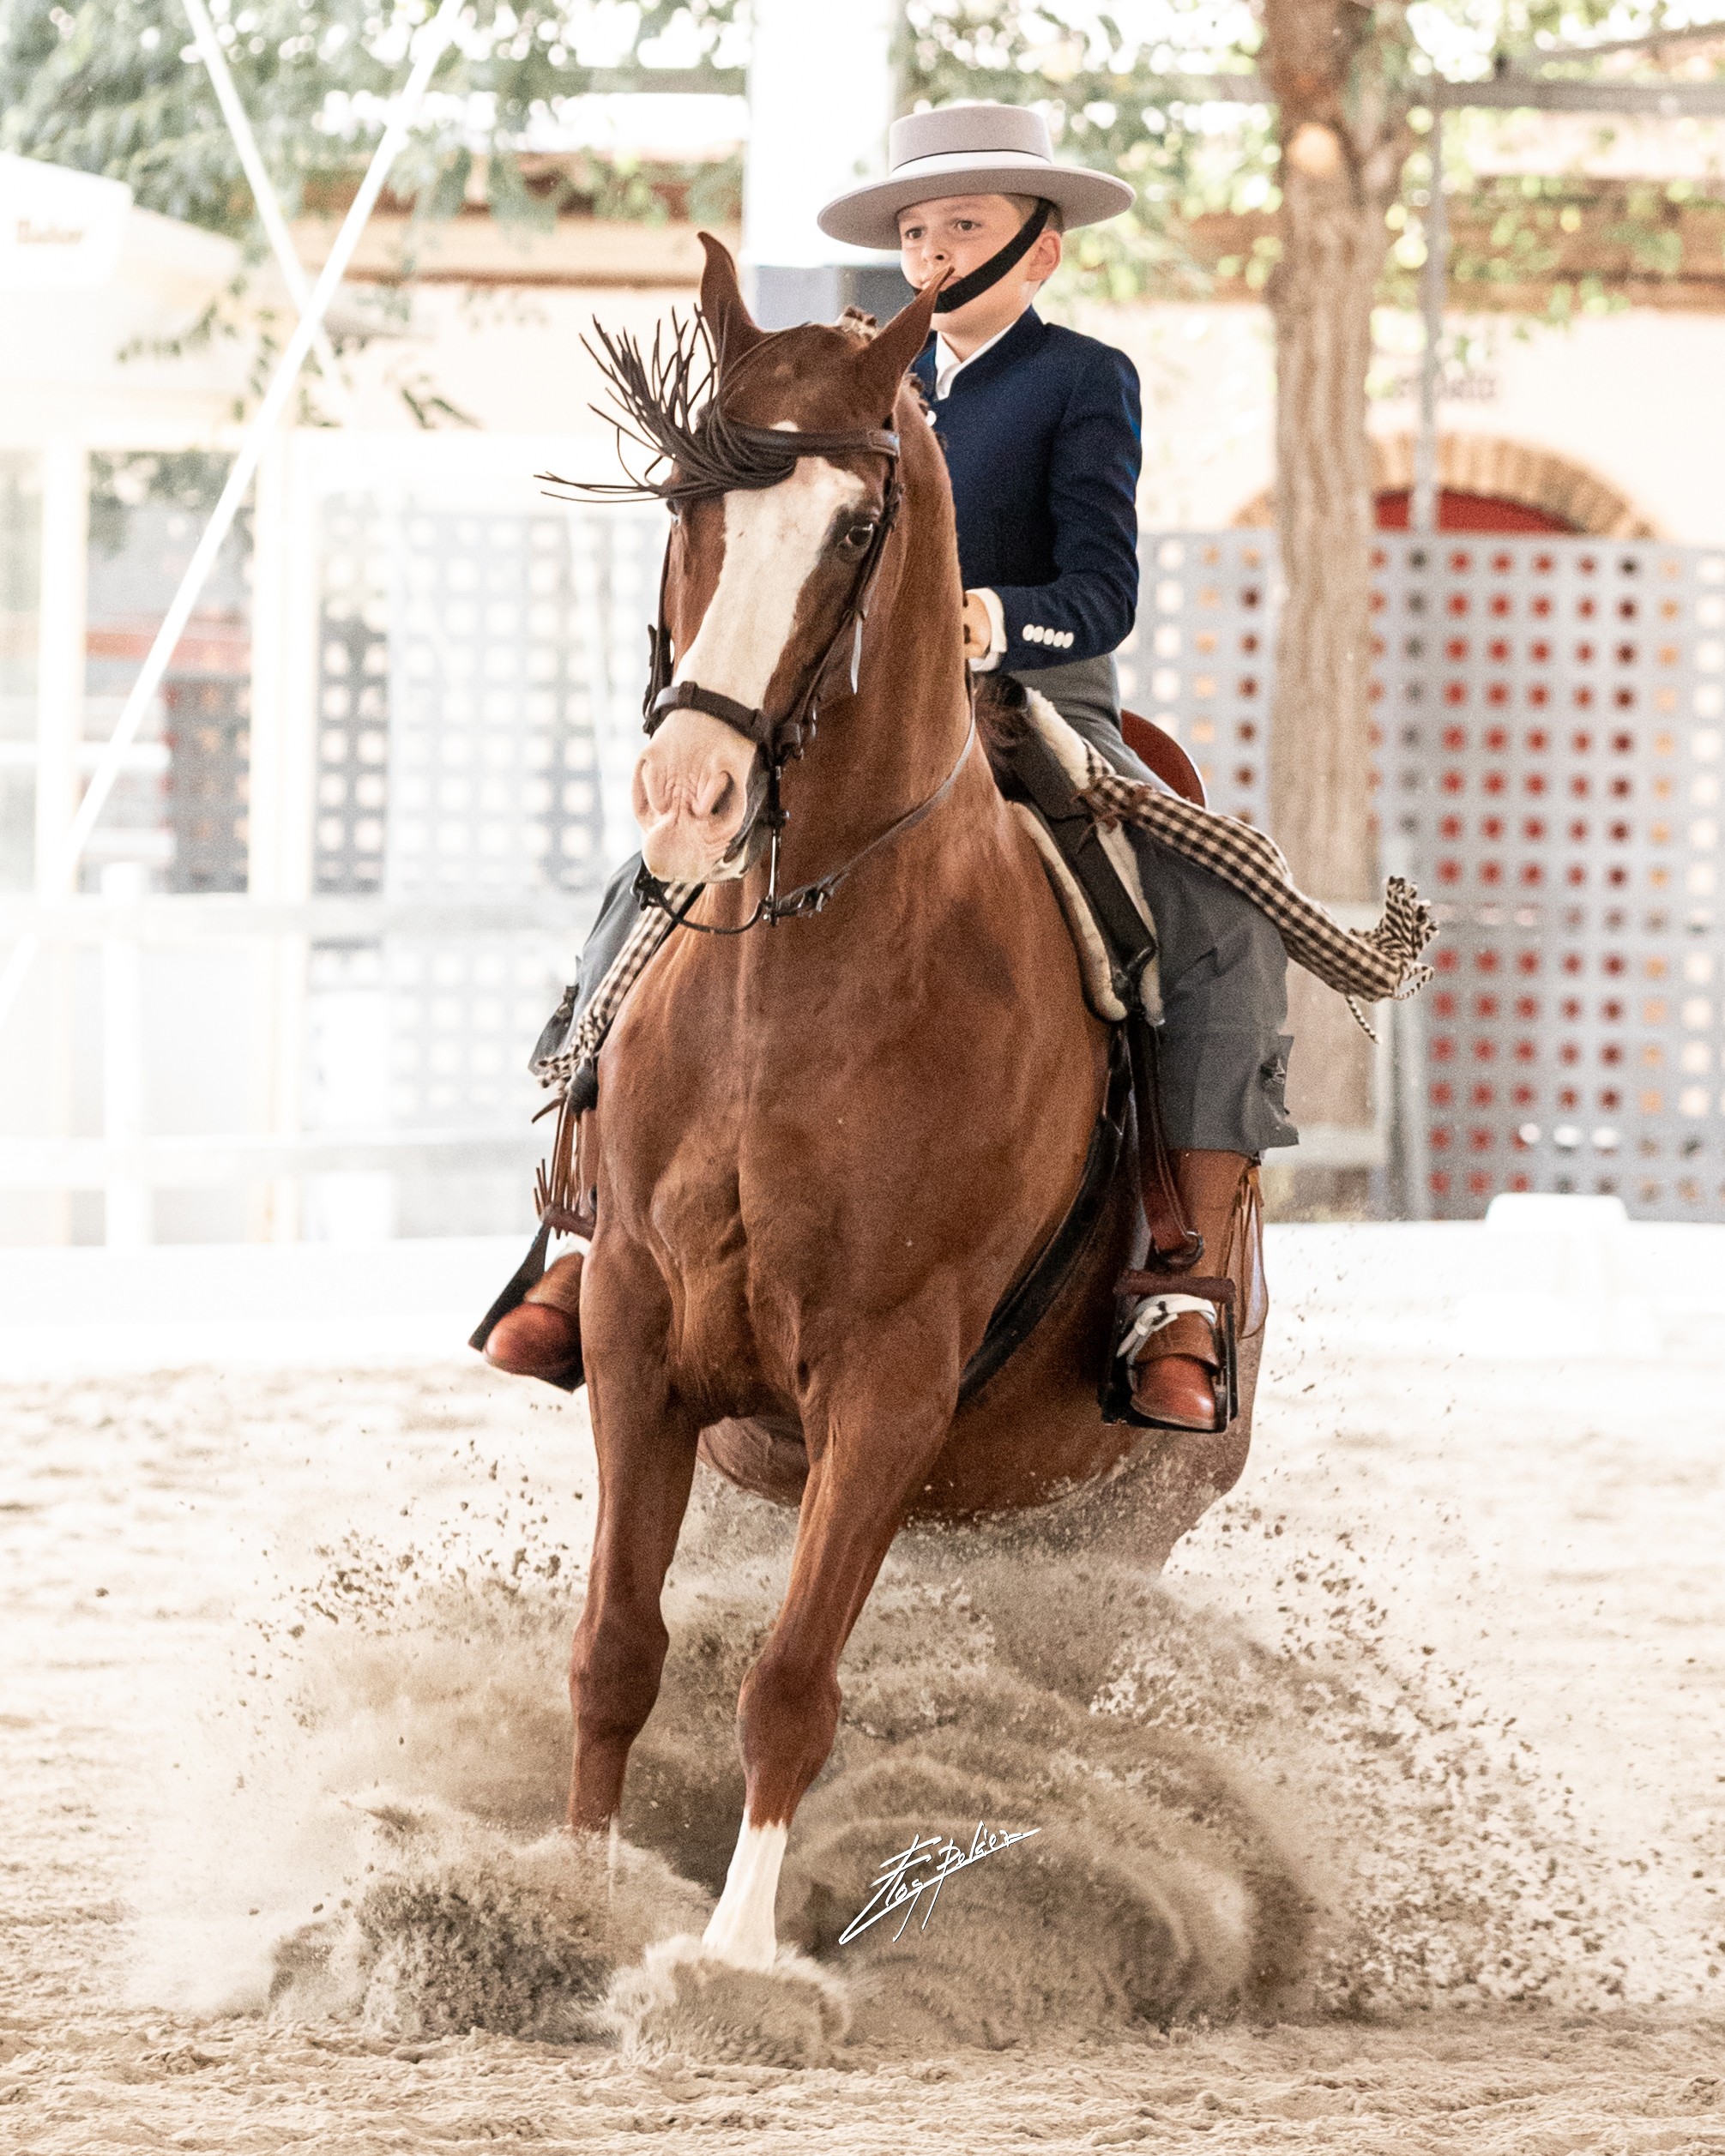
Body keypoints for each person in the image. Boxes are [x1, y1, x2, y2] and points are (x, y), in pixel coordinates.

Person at [484, 102, 1296, 1433]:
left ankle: (1178, 1276)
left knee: (1218, 922)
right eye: (917, 231)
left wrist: (996, 617)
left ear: (1039, 251)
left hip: (1031, 705)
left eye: (963, 228)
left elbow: (1104, 589)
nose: (933, 252)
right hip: (848, 721)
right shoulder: (847, 391)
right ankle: (586, 1228)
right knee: (657, 874)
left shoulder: (1083, 379)